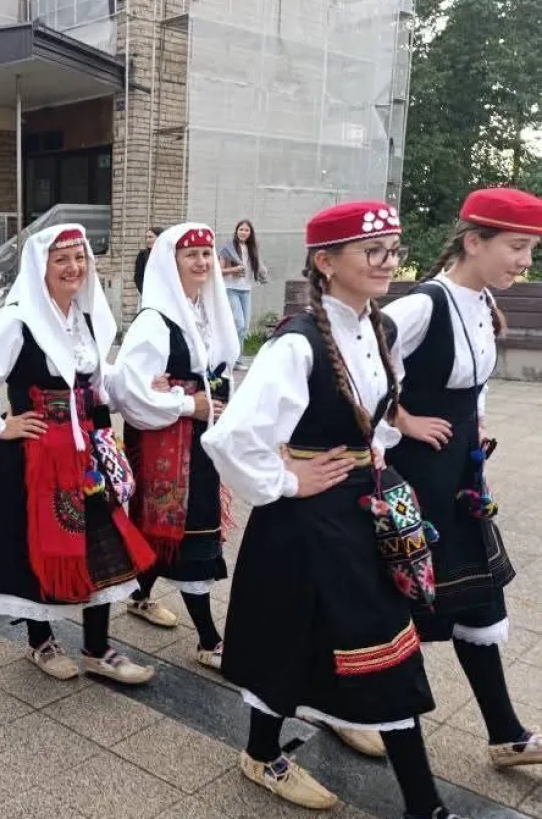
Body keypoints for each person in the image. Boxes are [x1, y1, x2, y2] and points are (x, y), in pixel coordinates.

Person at [202, 202, 460, 818]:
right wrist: (288, 480)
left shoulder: (378, 327)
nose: (388, 262)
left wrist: (377, 463)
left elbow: (376, 416)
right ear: (326, 262)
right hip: (309, 519)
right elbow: (230, 438)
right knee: (341, 635)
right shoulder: (296, 344)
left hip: (358, 505)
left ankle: (300, 736)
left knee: (322, 634)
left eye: (393, 250)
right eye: (373, 251)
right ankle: (422, 805)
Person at [0, 224, 158, 686]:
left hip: (85, 454)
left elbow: (96, 383)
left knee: (100, 546)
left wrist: (142, 388)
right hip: (34, 457)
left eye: (79, 257)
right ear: (41, 267)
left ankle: (98, 649)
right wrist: (0, 423)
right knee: (36, 547)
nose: (73, 267)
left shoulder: (87, 319)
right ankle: (41, 642)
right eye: (61, 259)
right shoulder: (16, 321)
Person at [384, 187, 542, 770]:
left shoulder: (480, 302)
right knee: (395, 606)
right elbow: (355, 358)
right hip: (412, 481)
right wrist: (400, 417)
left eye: (530, 249)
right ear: (475, 242)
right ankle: (348, 712)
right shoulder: (424, 304)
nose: (526, 261)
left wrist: (475, 429)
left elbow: (474, 384)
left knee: (477, 598)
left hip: (459, 479)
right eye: (518, 247)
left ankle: (506, 733)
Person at [108, 223, 238, 671]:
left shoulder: (205, 310)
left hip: (201, 438)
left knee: (167, 530)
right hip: (169, 442)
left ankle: (140, 597)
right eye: (192, 255)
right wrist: (186, 402)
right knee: (188, 529)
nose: (203, 262)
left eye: (207, 254)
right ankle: (209, 639)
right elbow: (130, 391)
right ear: (171, 263)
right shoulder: (154, 321)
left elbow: (218, 372)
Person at [218, 219, 266, 369]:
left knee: (244, 327)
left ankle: (236, 359)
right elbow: (219, 271)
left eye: (246, 230)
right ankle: (232, 358)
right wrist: (234, 270)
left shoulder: (253, 249)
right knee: (238, 323)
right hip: (231, 289)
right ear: (236, 231)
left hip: (246, 290)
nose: (243, 232)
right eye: (241, 229)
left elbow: (258, 267)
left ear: (250, 233)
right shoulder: (228, 248)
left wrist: (263, 272)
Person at [132, 225, 164, 295]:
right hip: (147, 293)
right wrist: (144, 292)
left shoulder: (167, 255)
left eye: (150, 237)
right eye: (146, 237)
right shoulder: (142, 255)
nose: (147, 240)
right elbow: (138, 277)